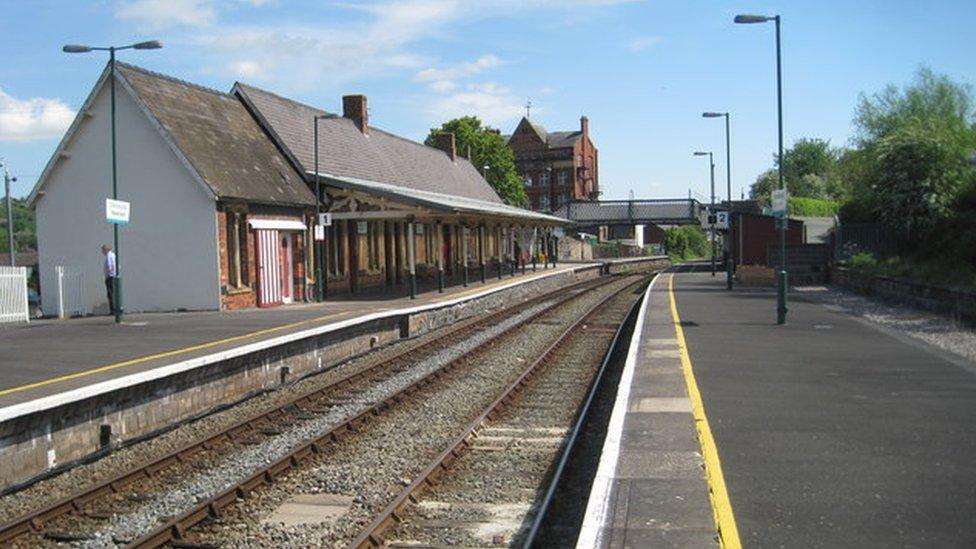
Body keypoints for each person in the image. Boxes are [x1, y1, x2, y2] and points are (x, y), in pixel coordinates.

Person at [101, 244, 117, 315]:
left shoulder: (108, 256)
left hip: (110, 277)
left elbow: (110, 266)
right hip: (113, 276)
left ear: (105, 250)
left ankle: (112, 310)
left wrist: (109, 273)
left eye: (102, 250)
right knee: (113, 293)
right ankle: (115, 309)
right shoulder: (113, 255)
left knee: (110, 293)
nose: (102, 252)